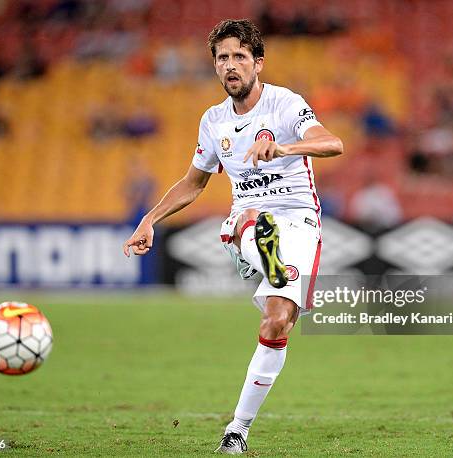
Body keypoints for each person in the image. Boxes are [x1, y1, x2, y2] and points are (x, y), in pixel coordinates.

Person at [122, 19, 343, 454]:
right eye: (222, 58)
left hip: (299, 223)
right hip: (249, 218)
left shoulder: (285, 104)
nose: (230, 66)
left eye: (239, 57)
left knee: (278, 321)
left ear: (257, 63)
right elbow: (193, 183)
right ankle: (251, 244)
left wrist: (283, 147)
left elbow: (332, 143)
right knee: (250, 217)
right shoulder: (214, 121)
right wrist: (149, 219)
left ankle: (236, 431)